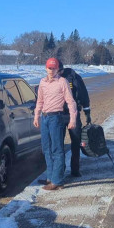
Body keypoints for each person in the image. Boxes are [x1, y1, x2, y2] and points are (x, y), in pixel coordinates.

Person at [33, 57, 77, 190]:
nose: (51, 70)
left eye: (53, 68)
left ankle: (57, 181)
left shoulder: (62, 82)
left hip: (56, 118)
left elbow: (71, 101)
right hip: (45, 117)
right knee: (46, 148)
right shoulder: (42, 82)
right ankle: (50, 177)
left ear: (58, 69)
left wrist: (73, 119)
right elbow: (40, 100)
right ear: (46, 68)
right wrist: (36, 116)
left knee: (57, 149)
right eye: (49, 68)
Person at [58, 60, 91, 177]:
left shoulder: (75, 78)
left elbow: (83, 95)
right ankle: (60, 170)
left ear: (61, 69)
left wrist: (87, 112)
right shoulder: (51, 79)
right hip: (59, 115)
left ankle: (75, 169)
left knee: (76, 142)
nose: (56, 72)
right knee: (58, 144)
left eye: (58, 70)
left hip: (73, 114)